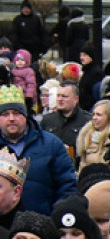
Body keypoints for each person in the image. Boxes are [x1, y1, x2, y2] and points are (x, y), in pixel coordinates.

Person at [0, 85, 76, 215]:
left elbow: (67, 187)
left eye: (17, 113)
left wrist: (55, 219)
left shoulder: (50, 144)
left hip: (42, 225)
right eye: (5, 114)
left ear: (26, 116)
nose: (11, 118)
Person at [41, 82, 91, 158]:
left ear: (76, 99)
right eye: (58, 96)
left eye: (64, 96)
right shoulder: (47, 120)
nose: (60, 99)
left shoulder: (87, 121)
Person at [76, 99, 110, 168]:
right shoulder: (86, 136)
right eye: (93, 114)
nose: (94, 118)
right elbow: (82, 166)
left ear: (109, 118)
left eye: (99, 115)